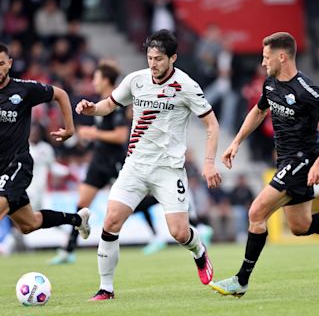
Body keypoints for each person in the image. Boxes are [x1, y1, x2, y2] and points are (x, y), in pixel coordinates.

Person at [209, 32, 319, 298]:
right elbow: (258, 110)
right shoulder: (270, 83)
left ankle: (241, 281)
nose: (263, 63)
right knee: (301, 226)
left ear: (282, 56)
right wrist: (236, 142)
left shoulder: (305, 89)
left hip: (302, 160)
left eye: (266, 58)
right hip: (286, 161)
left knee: (256, 213)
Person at [76, 29, 222, 300]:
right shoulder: (136, 80)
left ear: (173, 58)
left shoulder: (186, 86)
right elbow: (109, 104)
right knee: (111, 221)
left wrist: (209, 163)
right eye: (149, 57)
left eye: (158, 59)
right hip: (135, 165)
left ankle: (199, 251)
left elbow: (211, 124)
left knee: (179, 233)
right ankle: (106, 288)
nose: (152, 64)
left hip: (168, 169)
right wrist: (91, 109)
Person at [48, 61, 160, 264]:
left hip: (114, 161)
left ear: (106, 80)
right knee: (82, 204)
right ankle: (69, 250)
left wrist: (93, 133)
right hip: (98, 161)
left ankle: (160, 204)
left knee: (134, 202)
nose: (93, 82)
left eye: (96, 78)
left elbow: (120, 136)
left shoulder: (117, 105)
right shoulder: (99, 102)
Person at [0, 43, 90, 242]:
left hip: (17, 164)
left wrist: (70, 129)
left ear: (10, 64)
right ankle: (77, 220)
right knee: (28, 224)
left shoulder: (23, 89)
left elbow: (60, 94)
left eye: (1, 64)